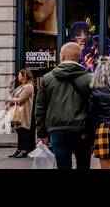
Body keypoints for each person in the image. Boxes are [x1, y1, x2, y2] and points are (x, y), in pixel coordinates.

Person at [34, 41, 94, 169]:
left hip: (57, 129)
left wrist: (41, 134)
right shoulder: (90, 78)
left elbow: (40, 108)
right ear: (79, 57)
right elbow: (94, 107)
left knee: (63, 165)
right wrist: (91, 129)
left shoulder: (47, 78)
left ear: (62, 57)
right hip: (82, 130)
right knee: (84, 165)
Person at [5, 70, 35, 158]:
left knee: (23, 131)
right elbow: (14, 95)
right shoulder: (22, 86)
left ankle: (24, 150)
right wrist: (10, 86)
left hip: (24, 112)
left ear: (24, 76)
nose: (18, 77)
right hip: (19, 111)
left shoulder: (29, 86)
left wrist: (9, 100)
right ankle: (19, 150)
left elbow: (21, 99)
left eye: (19, 75)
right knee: (19, 131)